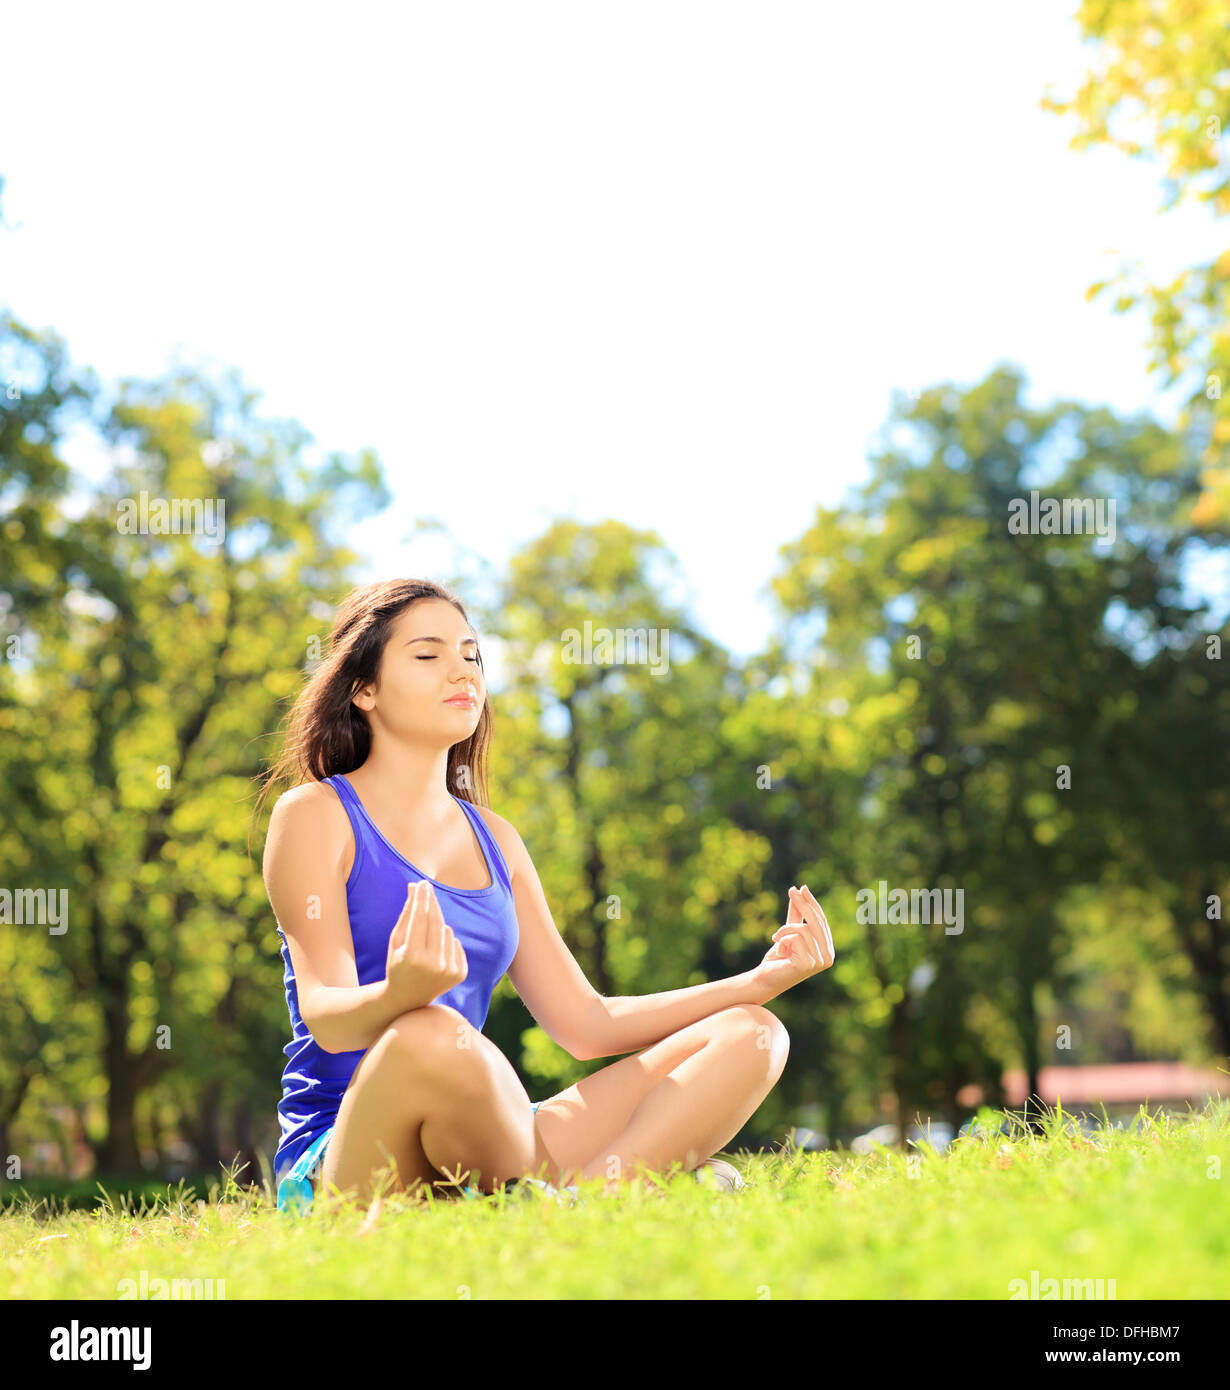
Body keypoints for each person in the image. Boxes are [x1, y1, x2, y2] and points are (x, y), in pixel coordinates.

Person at [254, 577, 834, 1212]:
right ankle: (581, 1194)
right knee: (428, 1033)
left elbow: (585, 1025)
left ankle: (585, 1206)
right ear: (363, 688)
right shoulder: (314, 815)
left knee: (752, 1036)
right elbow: (326, 1017)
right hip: (345, 1155)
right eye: (428, 655)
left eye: (472, 655)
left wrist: (755, 982)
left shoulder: (496, 839)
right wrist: (399, 995)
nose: (462, 671)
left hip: (483, 1133)